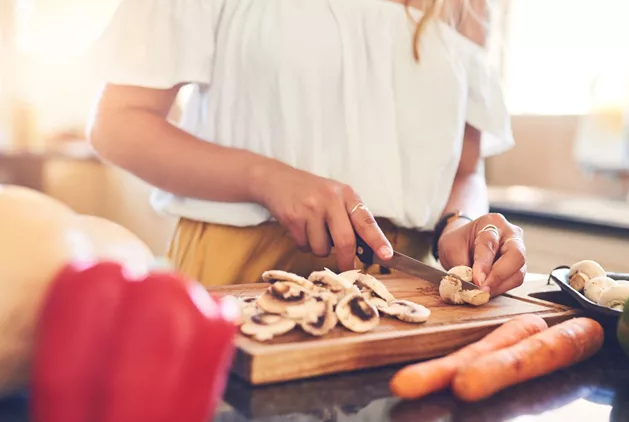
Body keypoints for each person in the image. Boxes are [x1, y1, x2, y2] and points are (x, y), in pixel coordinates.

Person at [87, 0, 526, 296]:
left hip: (412, 285)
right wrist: (267, 179)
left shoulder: (465, 5)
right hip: (242, 273)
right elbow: (118, 123)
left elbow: (465, 170)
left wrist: (461, 222)